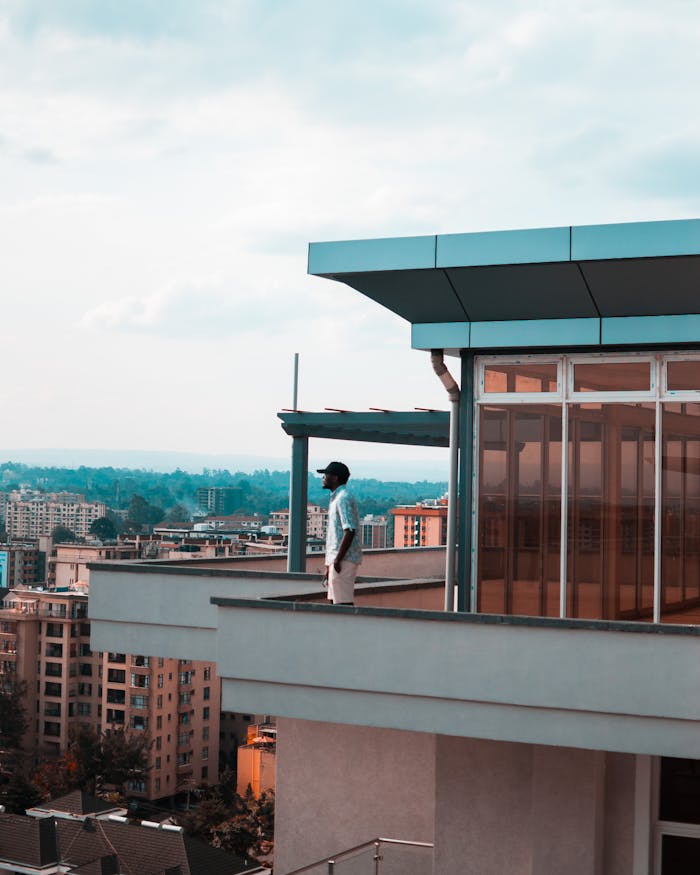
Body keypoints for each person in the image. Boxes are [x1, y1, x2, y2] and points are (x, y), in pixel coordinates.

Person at [317, 461, 362, 605]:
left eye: (326, 475)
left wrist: (337, 560)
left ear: (335, 478)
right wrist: (330, 564)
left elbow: (349, 530)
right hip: (337, 560)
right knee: (334, 602)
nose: (323, 478)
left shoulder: (343, 498)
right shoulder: (337, 498)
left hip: (343, 559)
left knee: (343, 603)